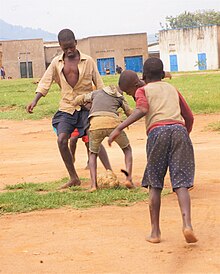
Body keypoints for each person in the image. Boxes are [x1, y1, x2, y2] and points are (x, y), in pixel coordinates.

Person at [108, 57, 198, 244]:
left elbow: (141, 109)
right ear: (162, 73)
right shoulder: (172, 89)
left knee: (155, 184)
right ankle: (187, 225)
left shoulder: (143, 90)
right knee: (181, 183)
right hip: (179, 130)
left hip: (158, 132)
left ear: (144, 76)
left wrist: (119, 128)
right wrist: (184, 134)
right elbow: (188, 116)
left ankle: (155, 232)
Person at [26, 28, 111, 189]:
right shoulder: (56, 63)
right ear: (60, 46)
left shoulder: (88, 61)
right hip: (67, 108)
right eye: (65, 48)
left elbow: (100, 85)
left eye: (71, 46)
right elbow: (45, 82)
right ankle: (74, 178)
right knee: (61, 139)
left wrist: (102, 105)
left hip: (86, 107)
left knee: (94, 138)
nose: (69, 50)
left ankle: (110, 172)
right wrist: (35, 100)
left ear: (76, 43)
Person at [73, 84, 134, 192]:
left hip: (95, 125)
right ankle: (128, 178)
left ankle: (93, 185)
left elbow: (80, 99)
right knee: (127, 149)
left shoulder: (96, 93)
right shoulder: (119, 97)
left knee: (93, 154)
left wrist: (75, 102)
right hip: (114, 125)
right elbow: (129, 112)